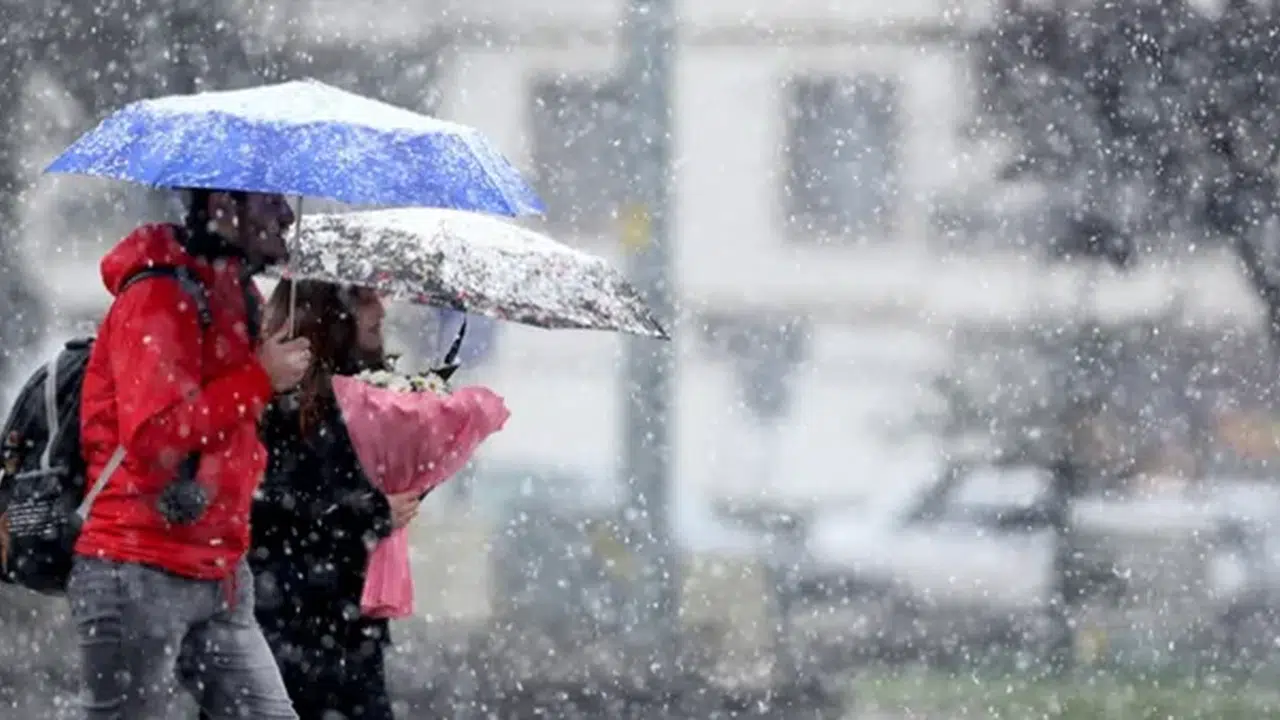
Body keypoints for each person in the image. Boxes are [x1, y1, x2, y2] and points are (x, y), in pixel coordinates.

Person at [71, 189, 311, 720]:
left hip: (220, 571)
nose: (288, 216)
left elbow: (232, 430)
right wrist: (259, 378)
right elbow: (154, 437)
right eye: (272, 202)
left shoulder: (235, 290)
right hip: (137, 569)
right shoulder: (158, 294)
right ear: (225, 203)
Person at [250, 279, 421, 720]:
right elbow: (269, 506)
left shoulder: (366, 396)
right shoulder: (277, 402)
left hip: (347, 620)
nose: (380, 309)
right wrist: (372, 511)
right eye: (364, 298)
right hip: (286, 618)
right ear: (329, 313)